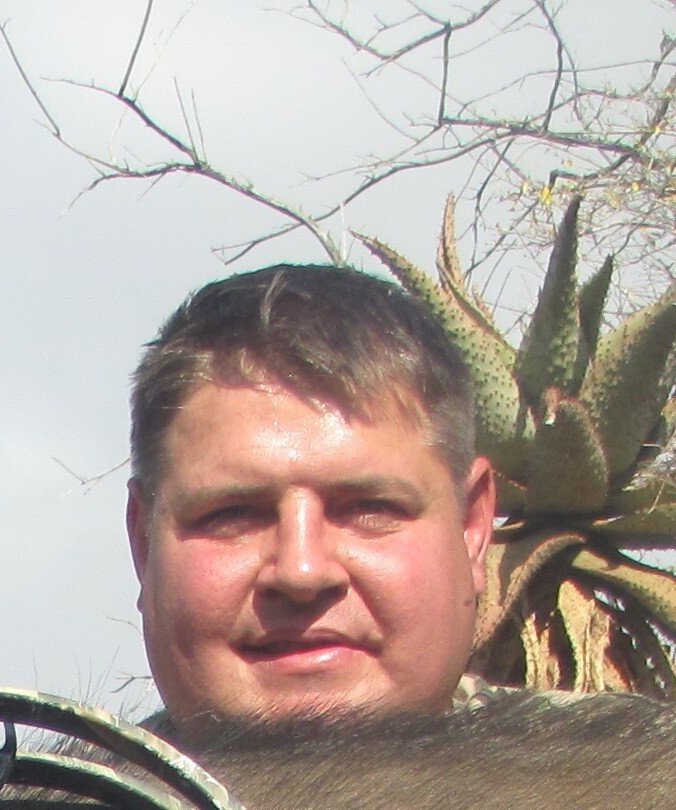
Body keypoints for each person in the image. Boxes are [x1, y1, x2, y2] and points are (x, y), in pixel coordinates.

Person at [127, 264, 499, 736]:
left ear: (473, 530)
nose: (301, 573)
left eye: (370, 509)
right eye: (233, 516)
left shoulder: (612, 798)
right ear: (143, 545)